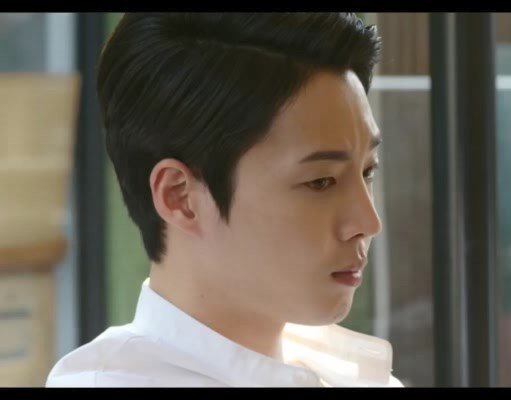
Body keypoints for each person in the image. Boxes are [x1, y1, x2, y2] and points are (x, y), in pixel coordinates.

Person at [46, 12, 403, 387]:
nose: (368, 223)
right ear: (180, 196)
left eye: (368, 171)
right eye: (321, 182)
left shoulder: (352, 375)